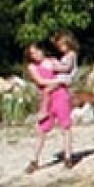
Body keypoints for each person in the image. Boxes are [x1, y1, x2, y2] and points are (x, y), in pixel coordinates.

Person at [25, 42, 74, 172]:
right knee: (42, 129)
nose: (36, 55)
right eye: (32, 53)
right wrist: (58, 81)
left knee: (65, 126)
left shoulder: (51, 61)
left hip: (60, 95)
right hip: (47, 99)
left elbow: (66, 69)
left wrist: (70, 56)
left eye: (37, 51)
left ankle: (68, 157)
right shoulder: (32, 67)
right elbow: (40, 81)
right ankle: (34, 159)